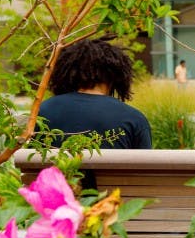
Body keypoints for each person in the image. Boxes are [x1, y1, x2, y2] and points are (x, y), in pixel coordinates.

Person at [37, 38, 152, 188]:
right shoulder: (134, 118)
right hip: (114, 208)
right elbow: (144, 177)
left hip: (54, 208)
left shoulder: (42, 111)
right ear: (115, 75)